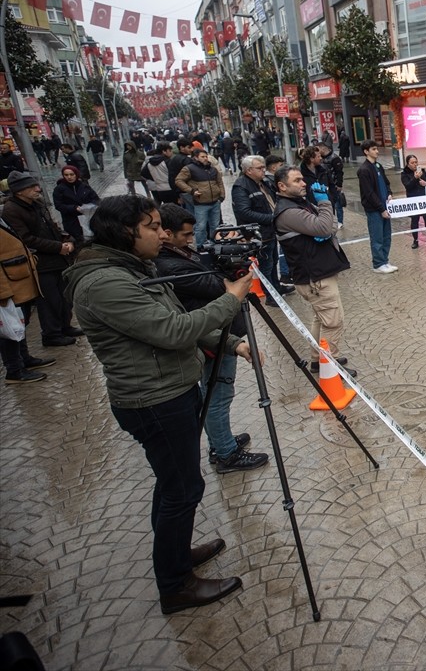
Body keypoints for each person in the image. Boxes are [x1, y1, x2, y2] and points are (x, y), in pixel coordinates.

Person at [63, 195, 253, 614]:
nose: (162, 234)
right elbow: (173, 331)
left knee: (173, 485)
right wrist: (231, 299)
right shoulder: (106, 283)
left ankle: (177, 553)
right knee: (183, 490)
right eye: (151, 227)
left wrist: (233, 344)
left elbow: (173, 321)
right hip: (154, 400)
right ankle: (175, 584)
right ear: (124, 232)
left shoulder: (131, 269)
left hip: (170, 389)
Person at [155, 204, 269, 474]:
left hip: (219, 333)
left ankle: (221, 441)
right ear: (167, 233)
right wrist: (232, 267)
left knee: (216, 394)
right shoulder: (170, 266)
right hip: (214, 338)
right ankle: (226, 454)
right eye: (185, 235)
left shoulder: (177, 254)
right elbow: (222, 287)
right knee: (218, 395)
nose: (191, 239)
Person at [273, 166, 355, 374]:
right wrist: (325, 203)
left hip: (319, 272)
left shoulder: (299, 203)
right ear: (282, 186)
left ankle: (318, 360)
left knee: (321, 318)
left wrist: (324, 222)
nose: (304, 183)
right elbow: (325, 227)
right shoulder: (288, 212)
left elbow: (330, 225)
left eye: (302, 179)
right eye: (297, 180)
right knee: (333, 321)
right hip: (315, 277)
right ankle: (331, 367)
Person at [2, 171, 81, 347]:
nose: (37, 189)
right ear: (19, 191)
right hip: (40, 263)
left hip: (57, 259)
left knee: (64, 296)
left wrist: (67, 239)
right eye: (31, 187)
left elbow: (52, 226)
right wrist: (58, 247)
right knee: (49, 300)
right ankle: (52, 334)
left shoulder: (37, 203)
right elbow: (25, 239)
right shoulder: (11, 210)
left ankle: (65, 326)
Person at [0, 212, 54, 383]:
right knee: (9, 330)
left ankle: (24, 359)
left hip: (17, 282)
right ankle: (14, 370)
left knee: (21, 324)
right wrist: (2, 293)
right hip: (8, 287)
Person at [231, 154, 291, 299]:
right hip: (259, 233)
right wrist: (270, 218)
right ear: (248, 170)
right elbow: (244, 212)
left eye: (263, 167)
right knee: (266, 265)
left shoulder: (264, 182)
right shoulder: (241, 186)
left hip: (270, 230)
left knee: (273, 260)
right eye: (259, 168)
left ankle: (276, 287)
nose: (263, 170)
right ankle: (270, 296)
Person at [357, 141, 397, 272]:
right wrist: (381, 209)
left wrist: (389, 193)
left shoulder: (378, 166)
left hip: (385, 206)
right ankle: (378, 264)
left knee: (386, 236)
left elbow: (386, 182)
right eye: (373, 149)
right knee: (377, 236)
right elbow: (368, 193)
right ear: (366, 151)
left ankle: (384, 260)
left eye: (376, 149)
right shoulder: (364, 170)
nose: (377, 151)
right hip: (375, 209)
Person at [174, 149, 225, 250]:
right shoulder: (189, 168)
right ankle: (201, 246)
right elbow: (178, 180)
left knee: (215, 226)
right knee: (201, 226)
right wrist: (191, 191)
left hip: (215, 202)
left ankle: (215, 244)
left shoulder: (212, 169)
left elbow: (219, 182)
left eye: (206, 156)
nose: (205, 158)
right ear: (196, 157)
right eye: (202, 157)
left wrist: (222, 196)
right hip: (201, 203)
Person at [51, 166, 100, 243]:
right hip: (71, 221)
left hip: (87, 217)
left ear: (76, 174)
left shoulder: (84, 186)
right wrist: (74, 208)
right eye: (66, 175)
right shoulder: (59, 189)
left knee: (92, 239)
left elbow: (96, 199)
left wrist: (90, 206)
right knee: (77, 241)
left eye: (71, 174)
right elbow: (59, 205)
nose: (69, 177)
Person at [400, 153, 426, 250]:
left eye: (416, 162)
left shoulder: (422, 171)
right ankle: (415, 240)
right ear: (408, 164)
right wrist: (415, 178)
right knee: (415, 220)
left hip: (424, 200)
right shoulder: (404, 174)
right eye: (412, 163)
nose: (415, 164)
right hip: (413, 200)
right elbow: (408, 186)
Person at [318, 142, 346, 227]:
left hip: (334, 184)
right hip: (325, 185)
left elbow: (339, 172)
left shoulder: (334, 158)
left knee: (337, 204)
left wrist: (339, 184)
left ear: (323, 148)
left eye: (318, 149)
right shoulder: (320, 158)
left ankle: (340, 221)